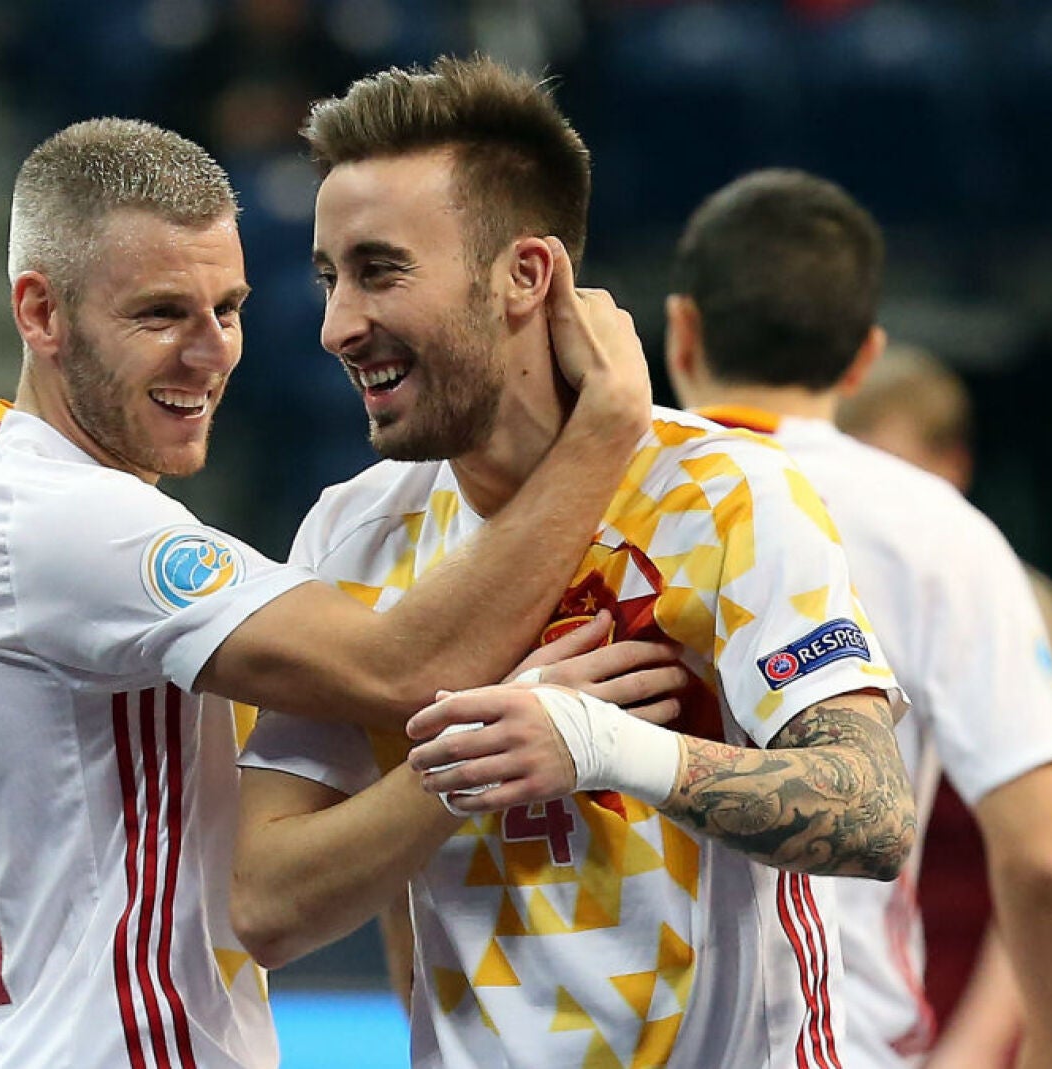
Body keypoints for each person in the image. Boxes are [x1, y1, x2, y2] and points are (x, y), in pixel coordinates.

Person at [0, 115, 676, 1067]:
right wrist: (606, 429)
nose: (212, 352)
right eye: (160, 314)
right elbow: (405, 667)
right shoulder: (65, 523)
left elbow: (266, 895)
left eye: (227, 308)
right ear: (40, 312)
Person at [232, 58, 915, 1069]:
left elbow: (871, 810)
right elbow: (264, 902)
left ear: (524, 276)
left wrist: (606, 747)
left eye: (379, 271)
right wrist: (458, 766)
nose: (336, 326)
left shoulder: (726, 494)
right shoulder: (348, 534)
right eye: (329, 277)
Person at [662, 170, 1052, 1069]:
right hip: (835, 1040)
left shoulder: (581, 503)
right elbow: (1051, 865)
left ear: (681, 329)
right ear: (864, 357)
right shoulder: (939, 531)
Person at [835, 344, 1052, 1066]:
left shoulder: (1017, 601)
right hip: (841, 1009)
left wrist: (970, 1050)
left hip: (973, 998)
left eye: (888, 471)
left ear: (953, 464)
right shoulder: (800, 600)